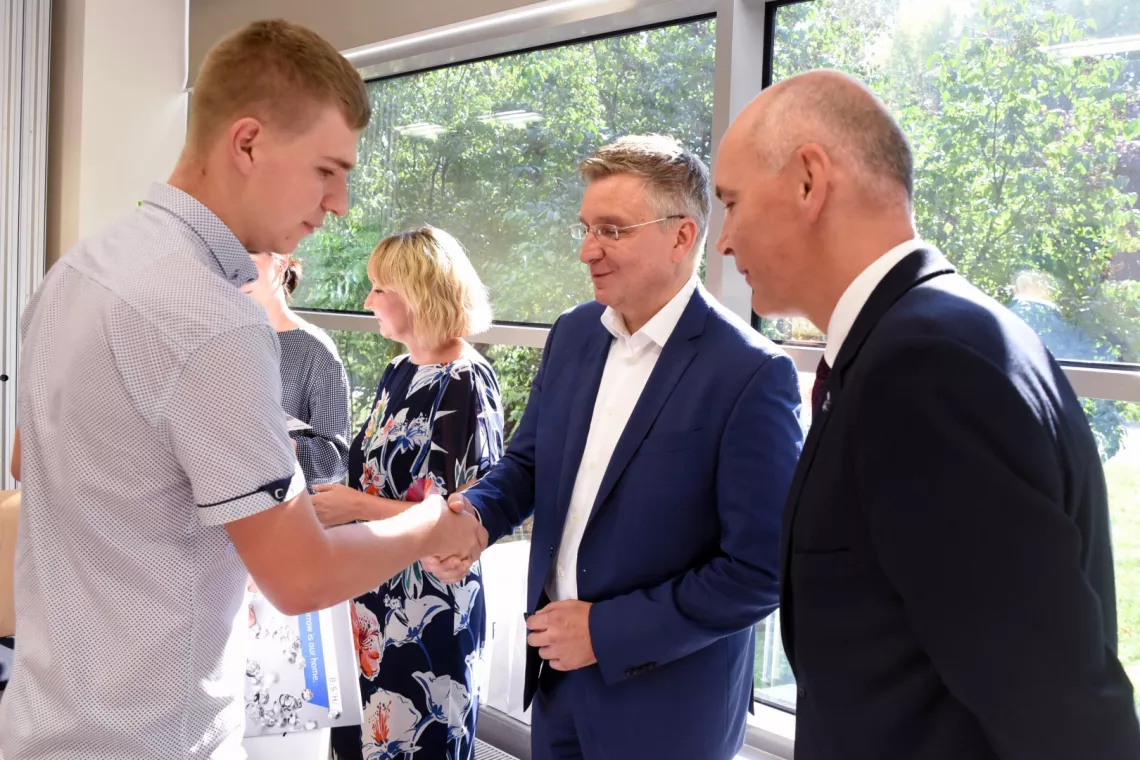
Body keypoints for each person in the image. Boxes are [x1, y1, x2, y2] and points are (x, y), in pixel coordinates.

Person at [0, 20, 485, 760]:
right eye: (327, 169)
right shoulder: (211, 320)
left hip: (44, 718)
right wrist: (429, 526)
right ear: (249, 142)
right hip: (156, 734)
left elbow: (28, 465)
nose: (341, 203)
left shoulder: (76, 273)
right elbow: (300, 575)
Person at [714, 69, 1140, 759]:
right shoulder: (933, 339)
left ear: (808, 181)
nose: (723, 241)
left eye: (731, 203)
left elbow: (1060, 712)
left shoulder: (926, 368)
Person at [430, 135, 804, 760]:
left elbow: (762, 571)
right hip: (557, 682)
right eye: (585, 228)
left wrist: (605, 632)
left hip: (670, 708)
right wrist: (478, 517)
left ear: (683, 237)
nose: (587, 251)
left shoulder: (751, 374)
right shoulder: (574, 334)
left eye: (611, 230)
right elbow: (528, 463)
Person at [313, 226, 503, 760]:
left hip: (427, 602)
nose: (367, 300)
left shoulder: (467, 382)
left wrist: (353, 506)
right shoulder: (398, 370)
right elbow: (375, 476)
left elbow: (462, 517)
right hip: (370, 594)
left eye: (379, 289)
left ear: (417, 295)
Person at [242, 250, 351, 485]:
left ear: (280, 261)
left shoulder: (316, 351)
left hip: (287, 510)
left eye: (249, 262)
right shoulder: (220, 341)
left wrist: (282, 444)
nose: (238, 274)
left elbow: (336, 462)